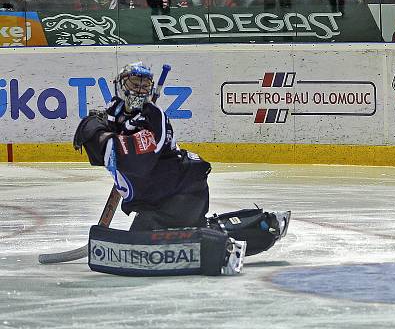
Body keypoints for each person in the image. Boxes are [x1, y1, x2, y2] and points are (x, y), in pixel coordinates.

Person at [74, 63, 290, 276]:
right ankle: (258, 225)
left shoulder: (154, 118)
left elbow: (135, 162)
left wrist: (99, 135)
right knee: (154, 239)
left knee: (152, 244)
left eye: (145, 85)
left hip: (183, 194)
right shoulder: (114, 113)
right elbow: (104, 146)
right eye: (134, 83)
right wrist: (92, 127)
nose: (139, 90)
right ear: (120, 85)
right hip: (158, 199)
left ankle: (230, 245)